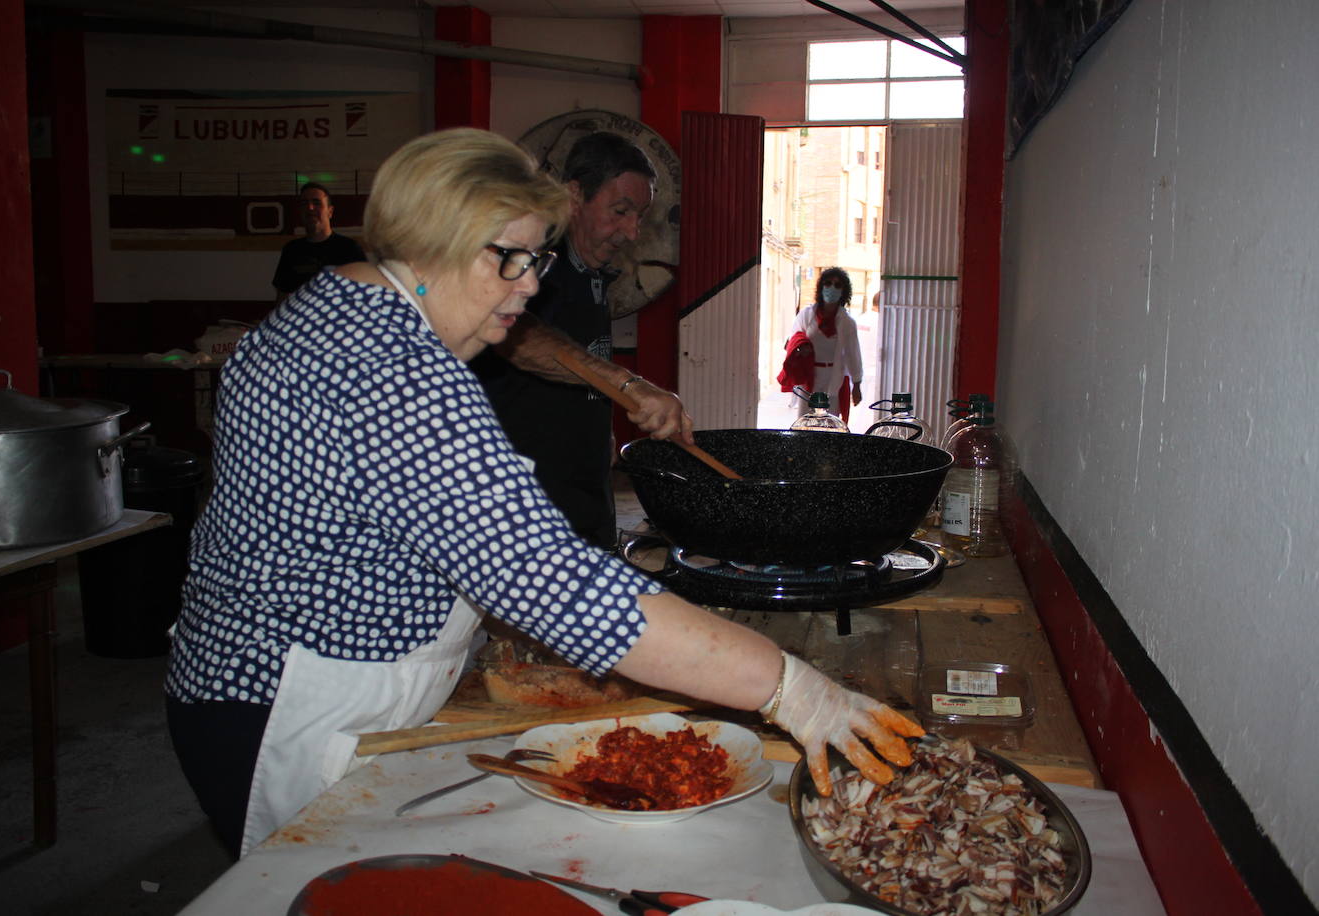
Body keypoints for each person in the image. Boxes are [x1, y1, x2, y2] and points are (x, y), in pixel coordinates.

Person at [164, 128, 922, 859]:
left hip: (243, 678)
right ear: (434, 239)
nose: (531, 284)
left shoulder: (334, 306)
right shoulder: (398, 372)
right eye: (512, 258)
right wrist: (789, 688)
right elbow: (549, 579)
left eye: (540, 257)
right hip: (289, 710)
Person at [471, 131, 691, 550]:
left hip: (586, 489)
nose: (630, 232)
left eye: (638, 216)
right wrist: (630, 386)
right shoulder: (536, 261)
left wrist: (603, 428)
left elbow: (586, 355)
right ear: (574, 195)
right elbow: (521, 336)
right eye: (620, 210)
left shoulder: (593, 271)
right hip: (527, 500)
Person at [789, 267, 864, 425]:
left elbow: (853, 354)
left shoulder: (846, 322)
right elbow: (794, 339)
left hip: (833, 378)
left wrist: (856, 384)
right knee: (805, 422)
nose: (832, 288)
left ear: (843, 291)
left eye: (837, 285)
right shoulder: (807, 315)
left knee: (830, 424)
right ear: (821, 286)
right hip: (809, 377)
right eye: (828, 283)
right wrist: (801, 348)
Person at [271, 182, 366, 302]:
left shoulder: (350, 249)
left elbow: (363, 295)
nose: (310, 208)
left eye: (317, 203)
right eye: (304, 203)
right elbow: (282, 297)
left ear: (330, 212)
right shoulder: (291, 250)